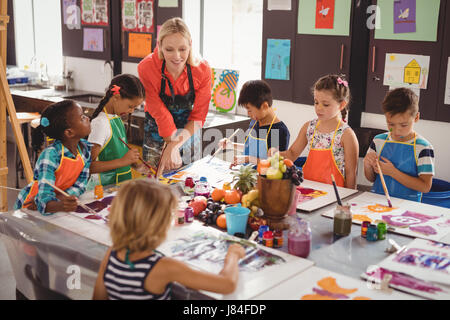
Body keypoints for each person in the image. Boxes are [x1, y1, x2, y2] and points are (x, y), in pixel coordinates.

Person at [92, 179, 245, 300]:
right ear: (159, 225)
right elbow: (227, 284)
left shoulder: (112, 253)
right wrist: (233, 254)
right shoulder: (164, 267)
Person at [137, 17, 212, 175]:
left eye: (182, 49)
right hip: (157, 130)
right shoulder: (147, 67)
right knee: (154, 183)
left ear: (190, 45)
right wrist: (169, 144)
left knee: (189, 181)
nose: (177, 56)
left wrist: (173, 146)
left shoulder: (203, 70)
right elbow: (159, 111)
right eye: (169, 49)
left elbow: (198, 117)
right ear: (160, 46)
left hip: (188, 132)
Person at [270, 74, 359, 189]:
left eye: (325, 104)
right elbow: (291, 154)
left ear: (341, 105)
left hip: (334, 195)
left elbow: (351, 174)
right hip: (308, 192)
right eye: (316, 102)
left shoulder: (346, 135)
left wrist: (347, 200)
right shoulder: (309, 127)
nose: (319, 108)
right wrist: (277, 154)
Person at [14, 100, 92, 214]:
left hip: (54, 206)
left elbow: (80, 185)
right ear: (69, 133)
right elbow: (42, 199)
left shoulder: (85, 150)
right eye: (82, 118)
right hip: (30, 208)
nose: (88, 118)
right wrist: (59, 204)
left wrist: (62, 200)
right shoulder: (51, 155)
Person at [364, 88, 434, 202]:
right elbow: (371, 179)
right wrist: (367, 165)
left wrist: (393, 172)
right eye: (391, 124)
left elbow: (425, 187)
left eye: (403, 125)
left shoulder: (423, 148)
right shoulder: (378, 141)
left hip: (408, 206)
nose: (396, 130)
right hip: (377, 202)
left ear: (416, 117)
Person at [88, 74, 146, 186]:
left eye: (135, 108)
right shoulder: (100, 123)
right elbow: (88, 166)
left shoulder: (116, 118)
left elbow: (117, 154)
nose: (131, 111)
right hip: (101, 191)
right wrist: (123, 161)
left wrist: (135, 165)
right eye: (130, 106)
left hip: (118, 187)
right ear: (116, 97)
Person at [219, 80, 290, 165]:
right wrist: (231, 145)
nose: (248, 114)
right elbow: (250, 149)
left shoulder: (279, 131)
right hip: (247, 174)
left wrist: (248, 159)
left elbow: (275, 165)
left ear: (264, 106)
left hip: (264, 177)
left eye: (250, 110)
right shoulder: (255, 122)